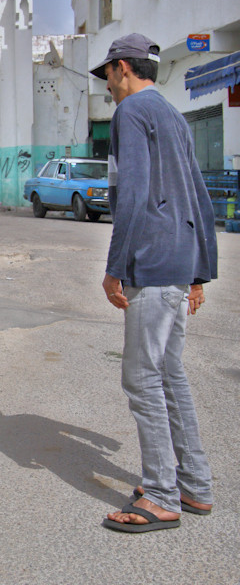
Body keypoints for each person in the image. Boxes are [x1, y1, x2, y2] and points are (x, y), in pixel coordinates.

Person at [90, 33, 217, 533]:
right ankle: (194, 485)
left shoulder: (132, 113)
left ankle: (162, 493)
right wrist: (199, 272)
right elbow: (198, 194)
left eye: (108, 76)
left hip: (152, 261)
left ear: (123, 68)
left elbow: (133, 195)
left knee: (141, 379)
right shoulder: (173, 116)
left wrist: (115, 265)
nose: (108, 86)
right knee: (169, 374)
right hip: (179, 261)